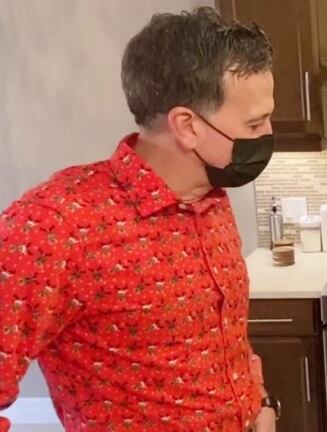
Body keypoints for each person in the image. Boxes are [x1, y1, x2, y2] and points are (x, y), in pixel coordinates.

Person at [0, 7, 279, 432]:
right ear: (187, 126)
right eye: (255, 123)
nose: (268, 134)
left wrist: (259, 403)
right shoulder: (56, 225)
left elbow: (225, 338)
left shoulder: (212, 200)